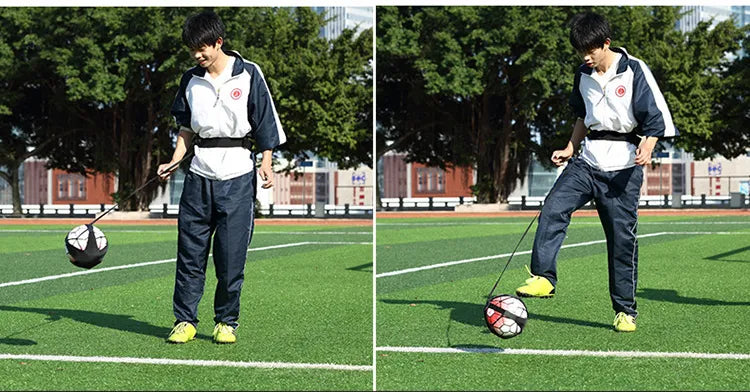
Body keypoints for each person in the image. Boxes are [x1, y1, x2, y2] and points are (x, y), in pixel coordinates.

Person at [515, 12, 677, 332]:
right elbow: (581, 115)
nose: (586, 57)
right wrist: (570, 147)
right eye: (580, 51)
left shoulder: (634, 70)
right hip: (587, 160)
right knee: (553, 207)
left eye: (591, 50)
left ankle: (624, 310)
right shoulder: (583, 73)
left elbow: (656, 117)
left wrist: (648, 144)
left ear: (606, 43)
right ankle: (543, 278)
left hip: (623, 168)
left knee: (620, 241)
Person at [157, 11, 286, 344]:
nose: (197, 55)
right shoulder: (190, 80)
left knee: (231, 256)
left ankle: (226, 322)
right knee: (190, 252)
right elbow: (186, 128)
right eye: (192, 50)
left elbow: (265, 125)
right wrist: (174, 160)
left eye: (202, 48)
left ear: (218, 42)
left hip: (238, 174)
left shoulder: (249, 74)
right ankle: (184, 320)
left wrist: (267, 163)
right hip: (199, 174)